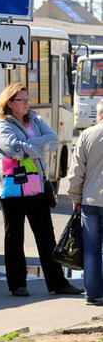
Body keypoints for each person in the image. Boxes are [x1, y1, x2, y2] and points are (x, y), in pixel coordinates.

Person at [0, 83, 83, 297]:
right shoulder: (2, 125)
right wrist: (35, 148)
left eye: (27, 99)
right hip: (12, 188)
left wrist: (27, 146)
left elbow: (53, 140)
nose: (26, 103)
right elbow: (13, 150)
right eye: (22, 100)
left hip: (37, 186)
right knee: (14, 237)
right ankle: (17, 284)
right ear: (10, 103)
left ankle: (58, 283)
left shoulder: (35, 119)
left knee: (46, 237)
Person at [67, 98, 103, 305]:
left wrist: (75, 197)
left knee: (91, 249)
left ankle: (92, 294)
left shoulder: (87, 135)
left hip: (90, 200)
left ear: (98, 115)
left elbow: (76, 172)